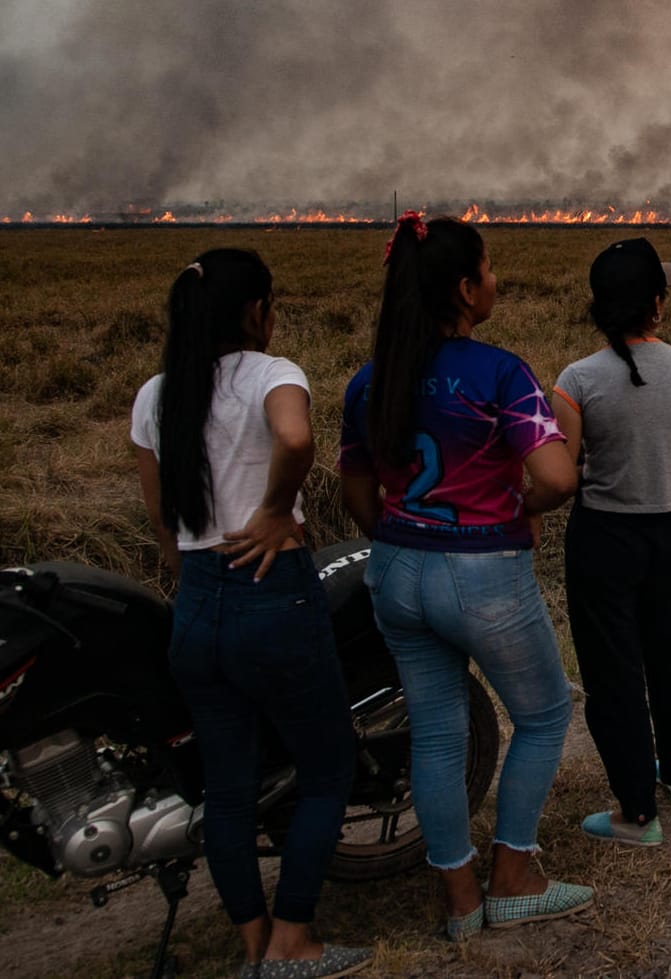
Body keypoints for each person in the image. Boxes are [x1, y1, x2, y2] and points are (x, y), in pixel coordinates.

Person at [338, 213, 588, 939]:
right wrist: (523, 501)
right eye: (489, 267)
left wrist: (401, 540)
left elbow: (356, 491)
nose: (495, 279)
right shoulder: (500, 373)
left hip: (395, 567)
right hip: (483, 575)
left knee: (439, 734)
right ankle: (514, 874)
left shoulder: (368, 380)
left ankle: (459, 898)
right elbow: (557, 476)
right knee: (542, 715)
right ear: (463, 288)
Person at [130, 250, 370, 979]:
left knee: (227, 785)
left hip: (200, 595)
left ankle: (252, 942)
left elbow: (163, 520)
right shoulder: (273, 373)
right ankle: (293, 939)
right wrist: (272, 513)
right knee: (329, 765)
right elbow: (296, 438)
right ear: (254, 312)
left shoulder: (155, 395)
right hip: (272, 588)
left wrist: (199, 582)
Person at [553, 238, 671, 847]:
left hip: (604, 538)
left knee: (615, 673)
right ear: (657, 306)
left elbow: (563, 475)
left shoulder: (577, 381)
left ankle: (637, 815)